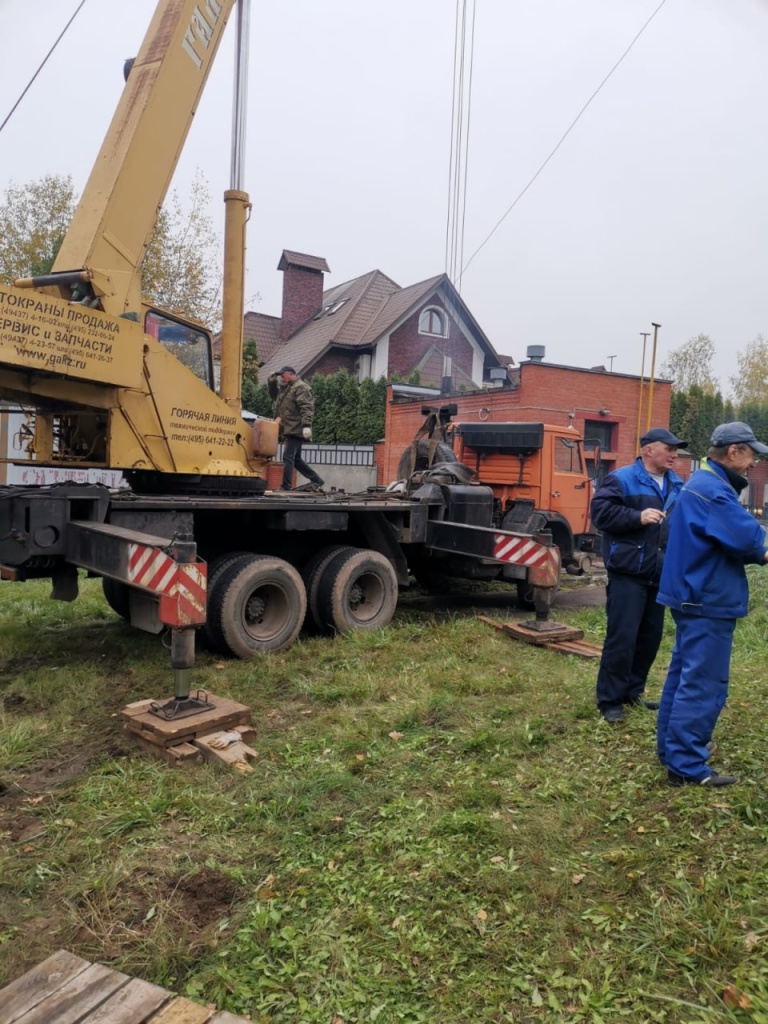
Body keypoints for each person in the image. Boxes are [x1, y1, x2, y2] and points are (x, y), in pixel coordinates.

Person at [656, 422, 768, 787]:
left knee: (683, 675)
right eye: (752, 454)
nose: (754, 462)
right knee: (703, 682)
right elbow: (751, 540)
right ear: (734, 451)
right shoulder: (713, 491)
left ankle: (671, 751)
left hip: (692, 593)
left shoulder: (701, 483)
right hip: (707, 598)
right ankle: (687, 765)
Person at [591, 426, 687, 724]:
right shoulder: (622, 479)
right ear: (648, 450)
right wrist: (637, 516)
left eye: (676, 450)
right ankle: (610, 700)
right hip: (628, 573)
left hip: (659, 574)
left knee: (650, 638)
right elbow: (600, 514)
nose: (675, 454)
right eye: (669, 449)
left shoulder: (677, 485)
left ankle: (633, 692)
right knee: (623, 637)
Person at [267, 366, 324, 492]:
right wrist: (271, 383)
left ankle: (286, 486)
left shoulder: (301, 387)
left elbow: (306, 407)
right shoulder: (287, 388)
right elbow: (274, 397)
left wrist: (306, 426)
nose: (281, 378)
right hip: (289, 427)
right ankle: (317, 480)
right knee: (296, 459)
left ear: (290, 374)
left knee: (288, 457)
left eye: (283, 375)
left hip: (295, 428)